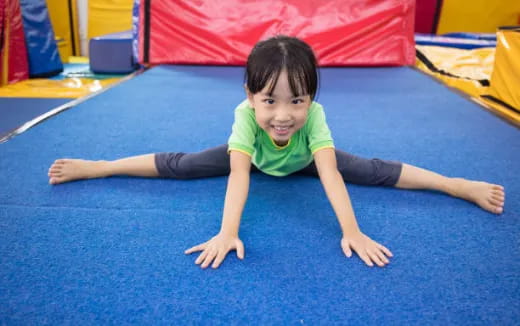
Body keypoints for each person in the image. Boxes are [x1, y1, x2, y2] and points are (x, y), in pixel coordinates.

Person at [47, 35, 505, 269]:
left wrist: (354, 231)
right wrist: (227, 232)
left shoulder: (315, 121)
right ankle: (99, 166)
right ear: (249, 95)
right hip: (254, 159)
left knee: (371, 169)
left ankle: (455, 184)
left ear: (311, 99)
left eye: (297, 101)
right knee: (182, 165)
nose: (283, 115)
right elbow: (239, 176)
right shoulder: (245, 120)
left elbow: (330, 174)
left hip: (302, 162)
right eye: (270, 101)